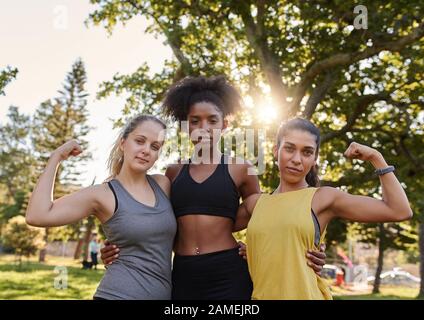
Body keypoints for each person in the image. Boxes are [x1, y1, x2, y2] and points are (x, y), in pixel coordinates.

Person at [101, 76, 327, 300]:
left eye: (212, 120)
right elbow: (148, 217)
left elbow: (269, 214)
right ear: (185, 126)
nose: (204, 128)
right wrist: (119, 243)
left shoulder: (241, 168)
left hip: (228, 272)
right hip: (183, 273)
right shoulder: (173, 172)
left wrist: (311, 240)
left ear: (224, 125)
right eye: (195, 121)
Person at [235, 118, 413, 299]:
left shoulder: (323, 198)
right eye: (289, 148)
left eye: (307, 152)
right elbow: (210, 230)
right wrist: (249, 251)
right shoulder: (255, 203)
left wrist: (375, 157)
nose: (296, 159)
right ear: (275, 151)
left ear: (314, 159)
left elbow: (399, 210)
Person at [26, 115, 177, 300]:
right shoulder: (103, 195)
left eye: (155, 147)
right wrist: (56, 158)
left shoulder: (162, 184)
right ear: (123, 143)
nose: (146, 150)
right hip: (117, 295)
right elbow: (37, 215)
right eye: (139, 141)